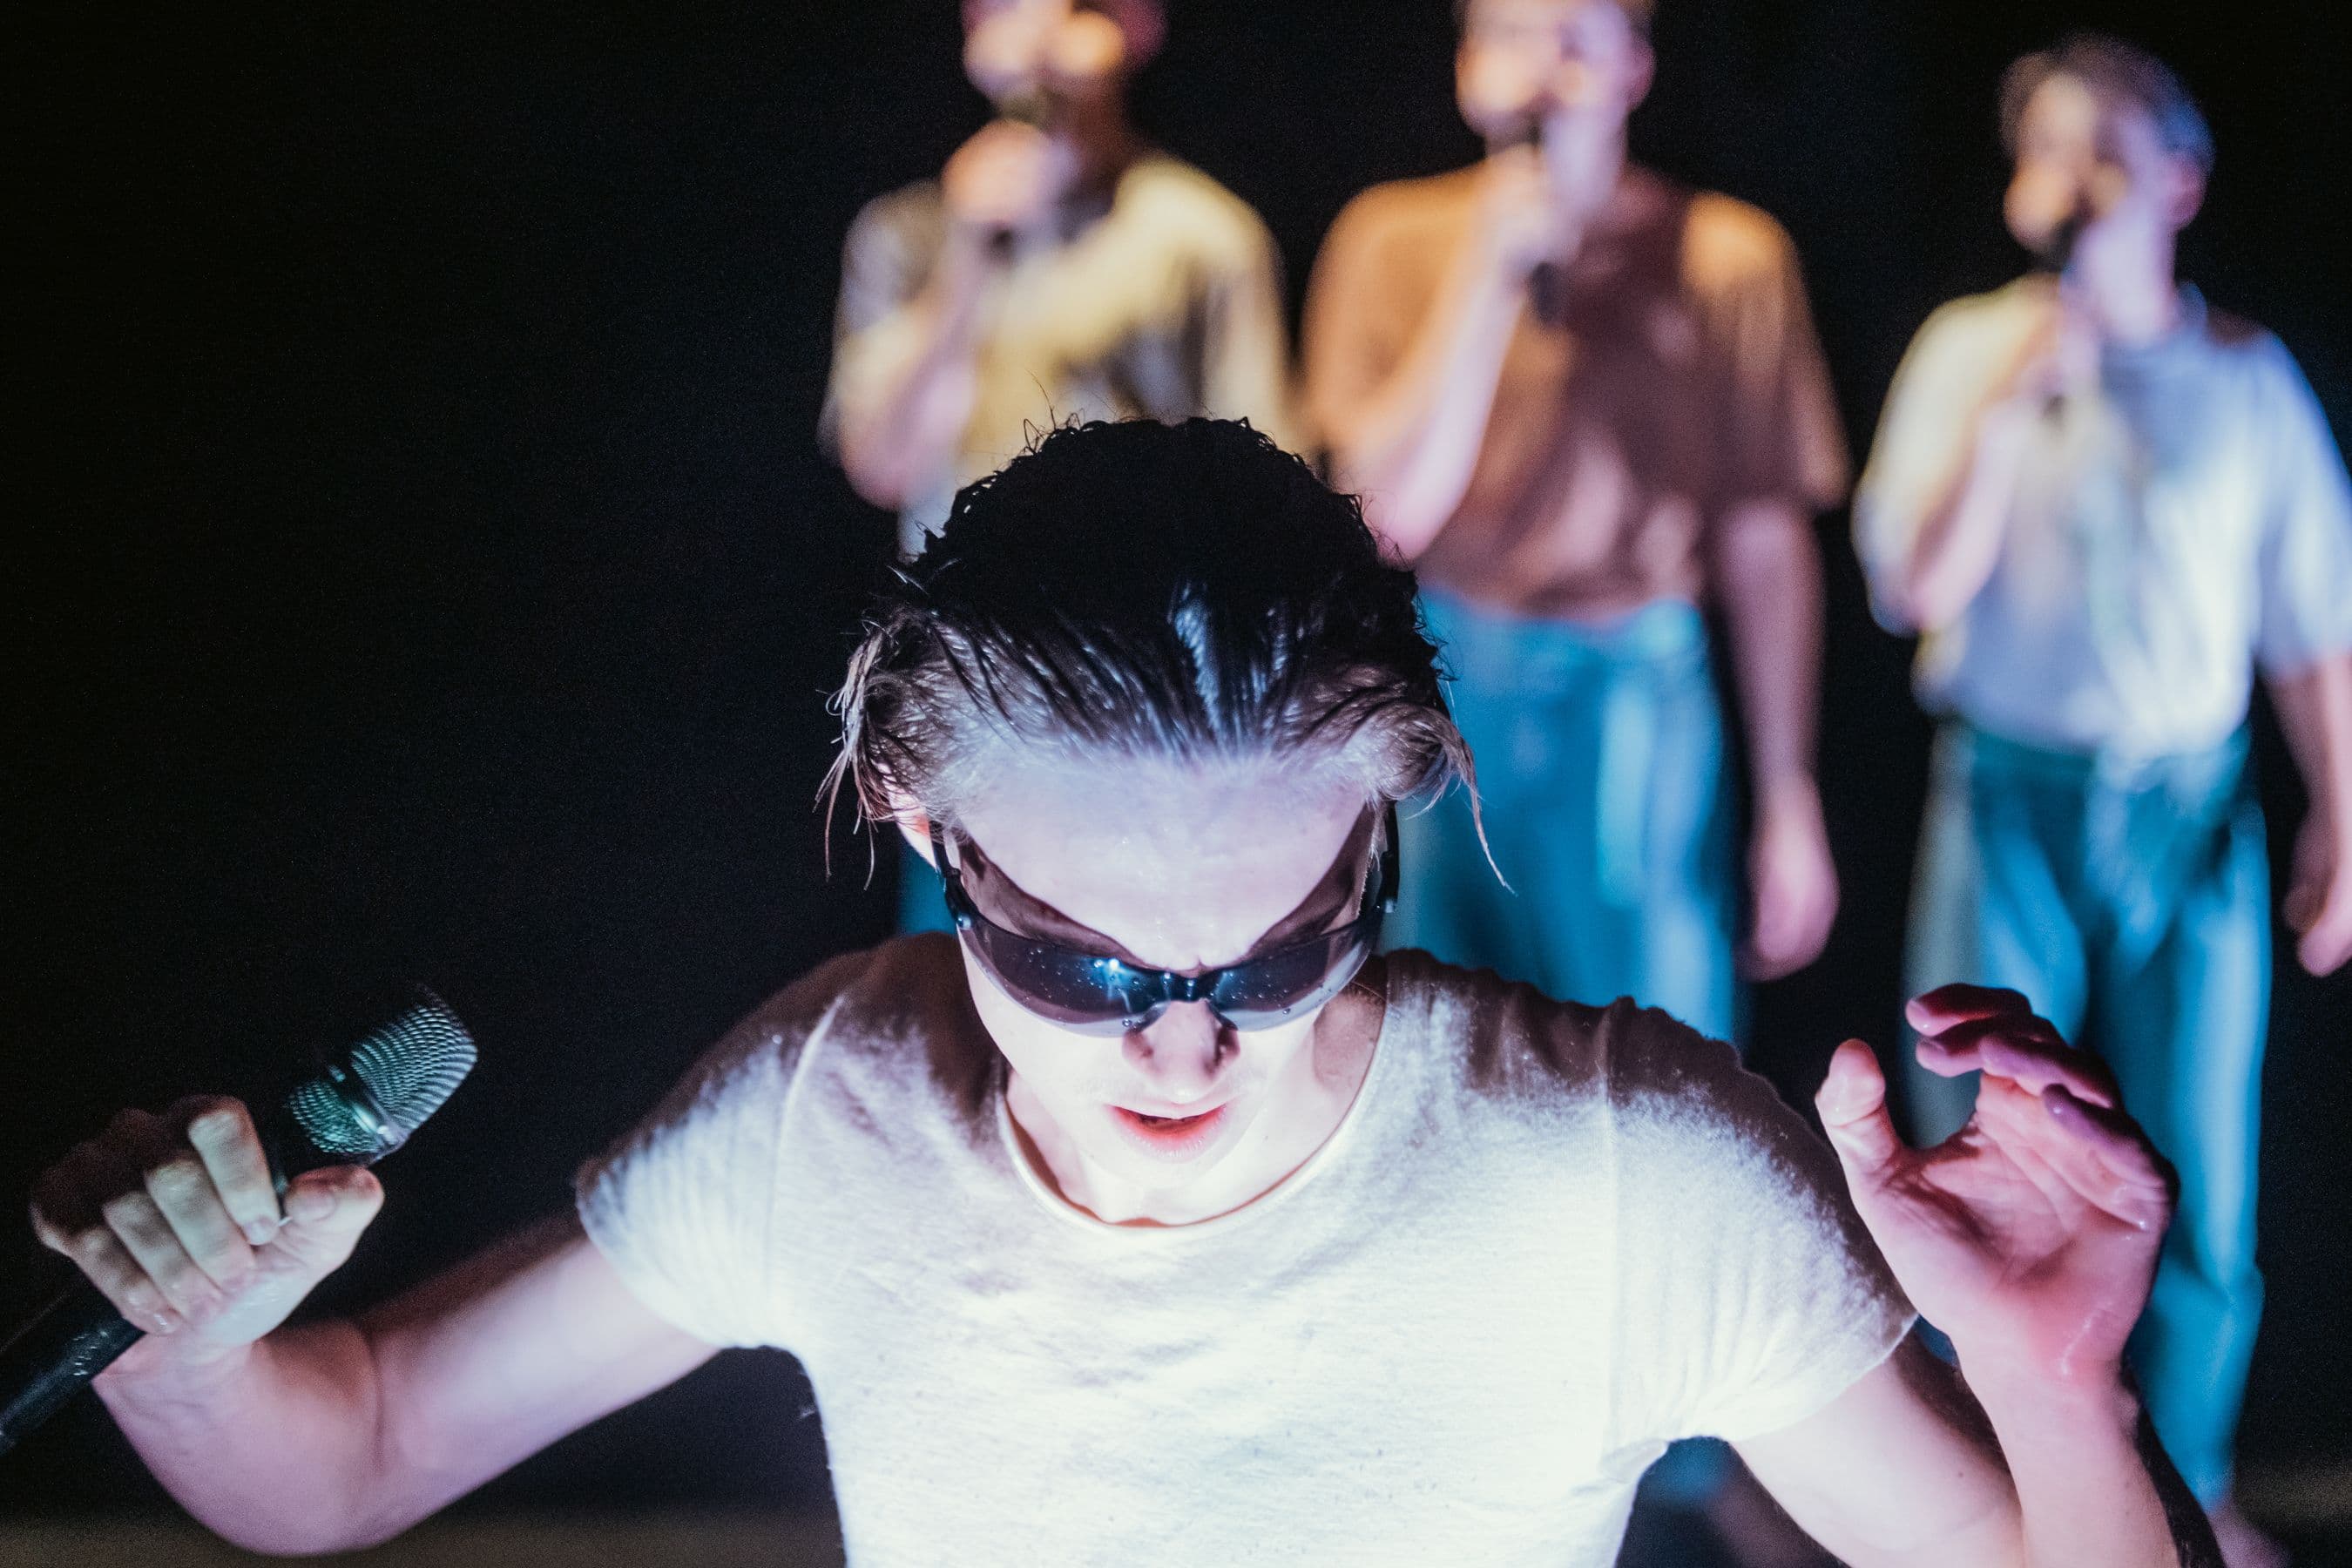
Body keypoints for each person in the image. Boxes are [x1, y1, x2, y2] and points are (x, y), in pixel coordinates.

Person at [31, 421, 2217, 1566]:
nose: (1185, 1041)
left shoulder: (1627, 1170)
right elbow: (350, 1460)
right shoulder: (832, 1102)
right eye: (1078, 962)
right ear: (924, 827)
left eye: (1278, 950)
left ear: (1388, 824)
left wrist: (2057, 1390)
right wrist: (188, 1352)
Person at [1855, 34, 2352, 1567]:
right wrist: (2012, 406)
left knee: (2200, 1166)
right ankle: (1990, 1501)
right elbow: (1908, 588)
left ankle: (2188, 1490)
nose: (2076, 181)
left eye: (2109, 149)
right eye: (2050, 151)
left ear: (2181, 181)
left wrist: (2343, 818)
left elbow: (2314, 628)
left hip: (2185, 814)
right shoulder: (1969, 351)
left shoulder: (2245, 380)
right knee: (1973, 1146)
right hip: (2009, 797)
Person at [1302, 0, 1847, 1049]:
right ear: (1466, 67)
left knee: (1650, 1046)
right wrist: (1487, 279)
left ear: (1635, 65)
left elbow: (1764, 541)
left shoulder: (1730, 257)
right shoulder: (1389, 239)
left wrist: (1790, 796)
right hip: (1451, 678)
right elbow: (1386, 523)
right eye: (1510, 36)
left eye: (1575, 39)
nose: (1542, 70)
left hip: (1636, 687)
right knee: (1441, 1038)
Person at [821, 0, 1297, 937]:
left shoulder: (1203, 238)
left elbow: (1268, 488)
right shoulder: (907, 237)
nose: (1037, 42)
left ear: (1137, 28)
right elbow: (882, 463)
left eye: (1074, 12)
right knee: (968, 950)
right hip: (964, 672)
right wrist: (970, 254)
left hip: (1145, 686)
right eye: (1008, 12)